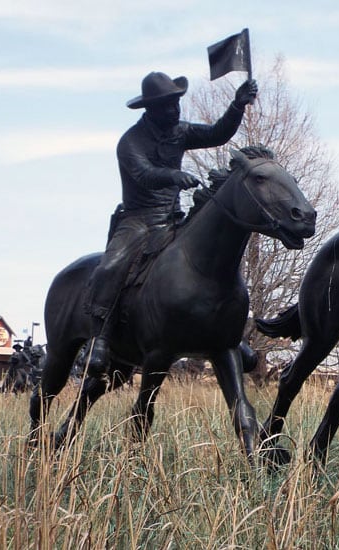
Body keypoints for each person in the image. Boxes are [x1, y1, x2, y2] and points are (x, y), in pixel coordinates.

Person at [85, 71, 258, 369]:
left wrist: (237, 106)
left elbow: (217, 134)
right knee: (110, 267)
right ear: (150, 109)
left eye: (176, 104)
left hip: (172, 217)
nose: (173, 110)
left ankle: (227, 332)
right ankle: (99, 338)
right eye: (166, 106)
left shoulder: (180, 131)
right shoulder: (130, 142)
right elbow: (143, 174)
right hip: (139, 220)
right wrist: (173, 175)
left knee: (212, 254)